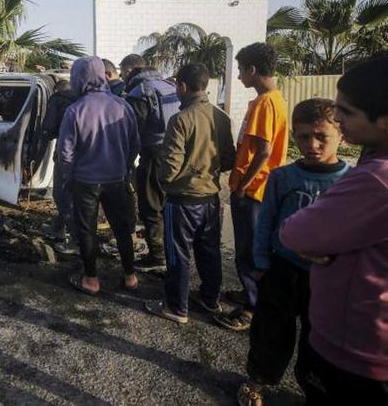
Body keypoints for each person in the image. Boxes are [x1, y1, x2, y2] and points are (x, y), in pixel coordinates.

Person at [280, 56, 388, 406]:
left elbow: (296, 233)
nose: (338, 118)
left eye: (347, 112)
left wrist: (324, 241)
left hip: (356, 349)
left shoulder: (374, 179)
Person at [236, 98, 350, 406]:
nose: (311, 144)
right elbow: (265, 222)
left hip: (327, 278)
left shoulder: (351, 181)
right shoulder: (282, 177)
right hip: (282, 268)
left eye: (321, 136)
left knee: (320, 340)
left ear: (341, 135)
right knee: (270, 331)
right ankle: (257, 381)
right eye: (302, 136)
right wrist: (260, 262)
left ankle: (315, 391)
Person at [144, 64, 235, 324]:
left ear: (182, 86)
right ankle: (210, 299)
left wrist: (165, 182)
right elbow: (229, 158)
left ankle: (176, 307)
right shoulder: (221, 117)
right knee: (210, 252)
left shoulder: (181, 119)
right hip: (211, 198)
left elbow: (170, 166)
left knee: (178, 255)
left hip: (183, 201)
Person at [215, 42, 288, 332]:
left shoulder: (266, 103)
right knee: (250, 248)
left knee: (249, 251)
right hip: (257, 187)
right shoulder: (269, 100)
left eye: (241, 71)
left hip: (254, 189)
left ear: (252, 69)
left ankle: (252, 308)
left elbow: (264, 152)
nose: (240, 77)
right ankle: (249, 294)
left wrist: (243, 185)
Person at [58, 56, 140, 295]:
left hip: (85, 181)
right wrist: (123, 166)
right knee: (122, 228)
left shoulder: (74, 110)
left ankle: (91, 280)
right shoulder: (122, 106)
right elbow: (135, 144)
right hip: (116, 178)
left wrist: (67, 178)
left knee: (87, 230)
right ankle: (130, 276)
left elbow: (65, 153)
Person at [120, 54, 181, 274]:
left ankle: (158, 256)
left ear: (129, 71)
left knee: (151, 205)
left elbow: (133, 133)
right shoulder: (169, 86)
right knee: (170, 206)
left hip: (153, 156)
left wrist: (127, 164)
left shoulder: (139, 92)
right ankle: (173, 252)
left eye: (122, 72)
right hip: (176, 155)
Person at [40, 79, 77, 253]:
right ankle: (58, 228)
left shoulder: (57, 99)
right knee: (71, 197)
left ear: (56, 90)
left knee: (62, 196)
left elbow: (49, 127)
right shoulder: (83, 99)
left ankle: (75, 240)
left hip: (66, 155)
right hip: (86, 159)